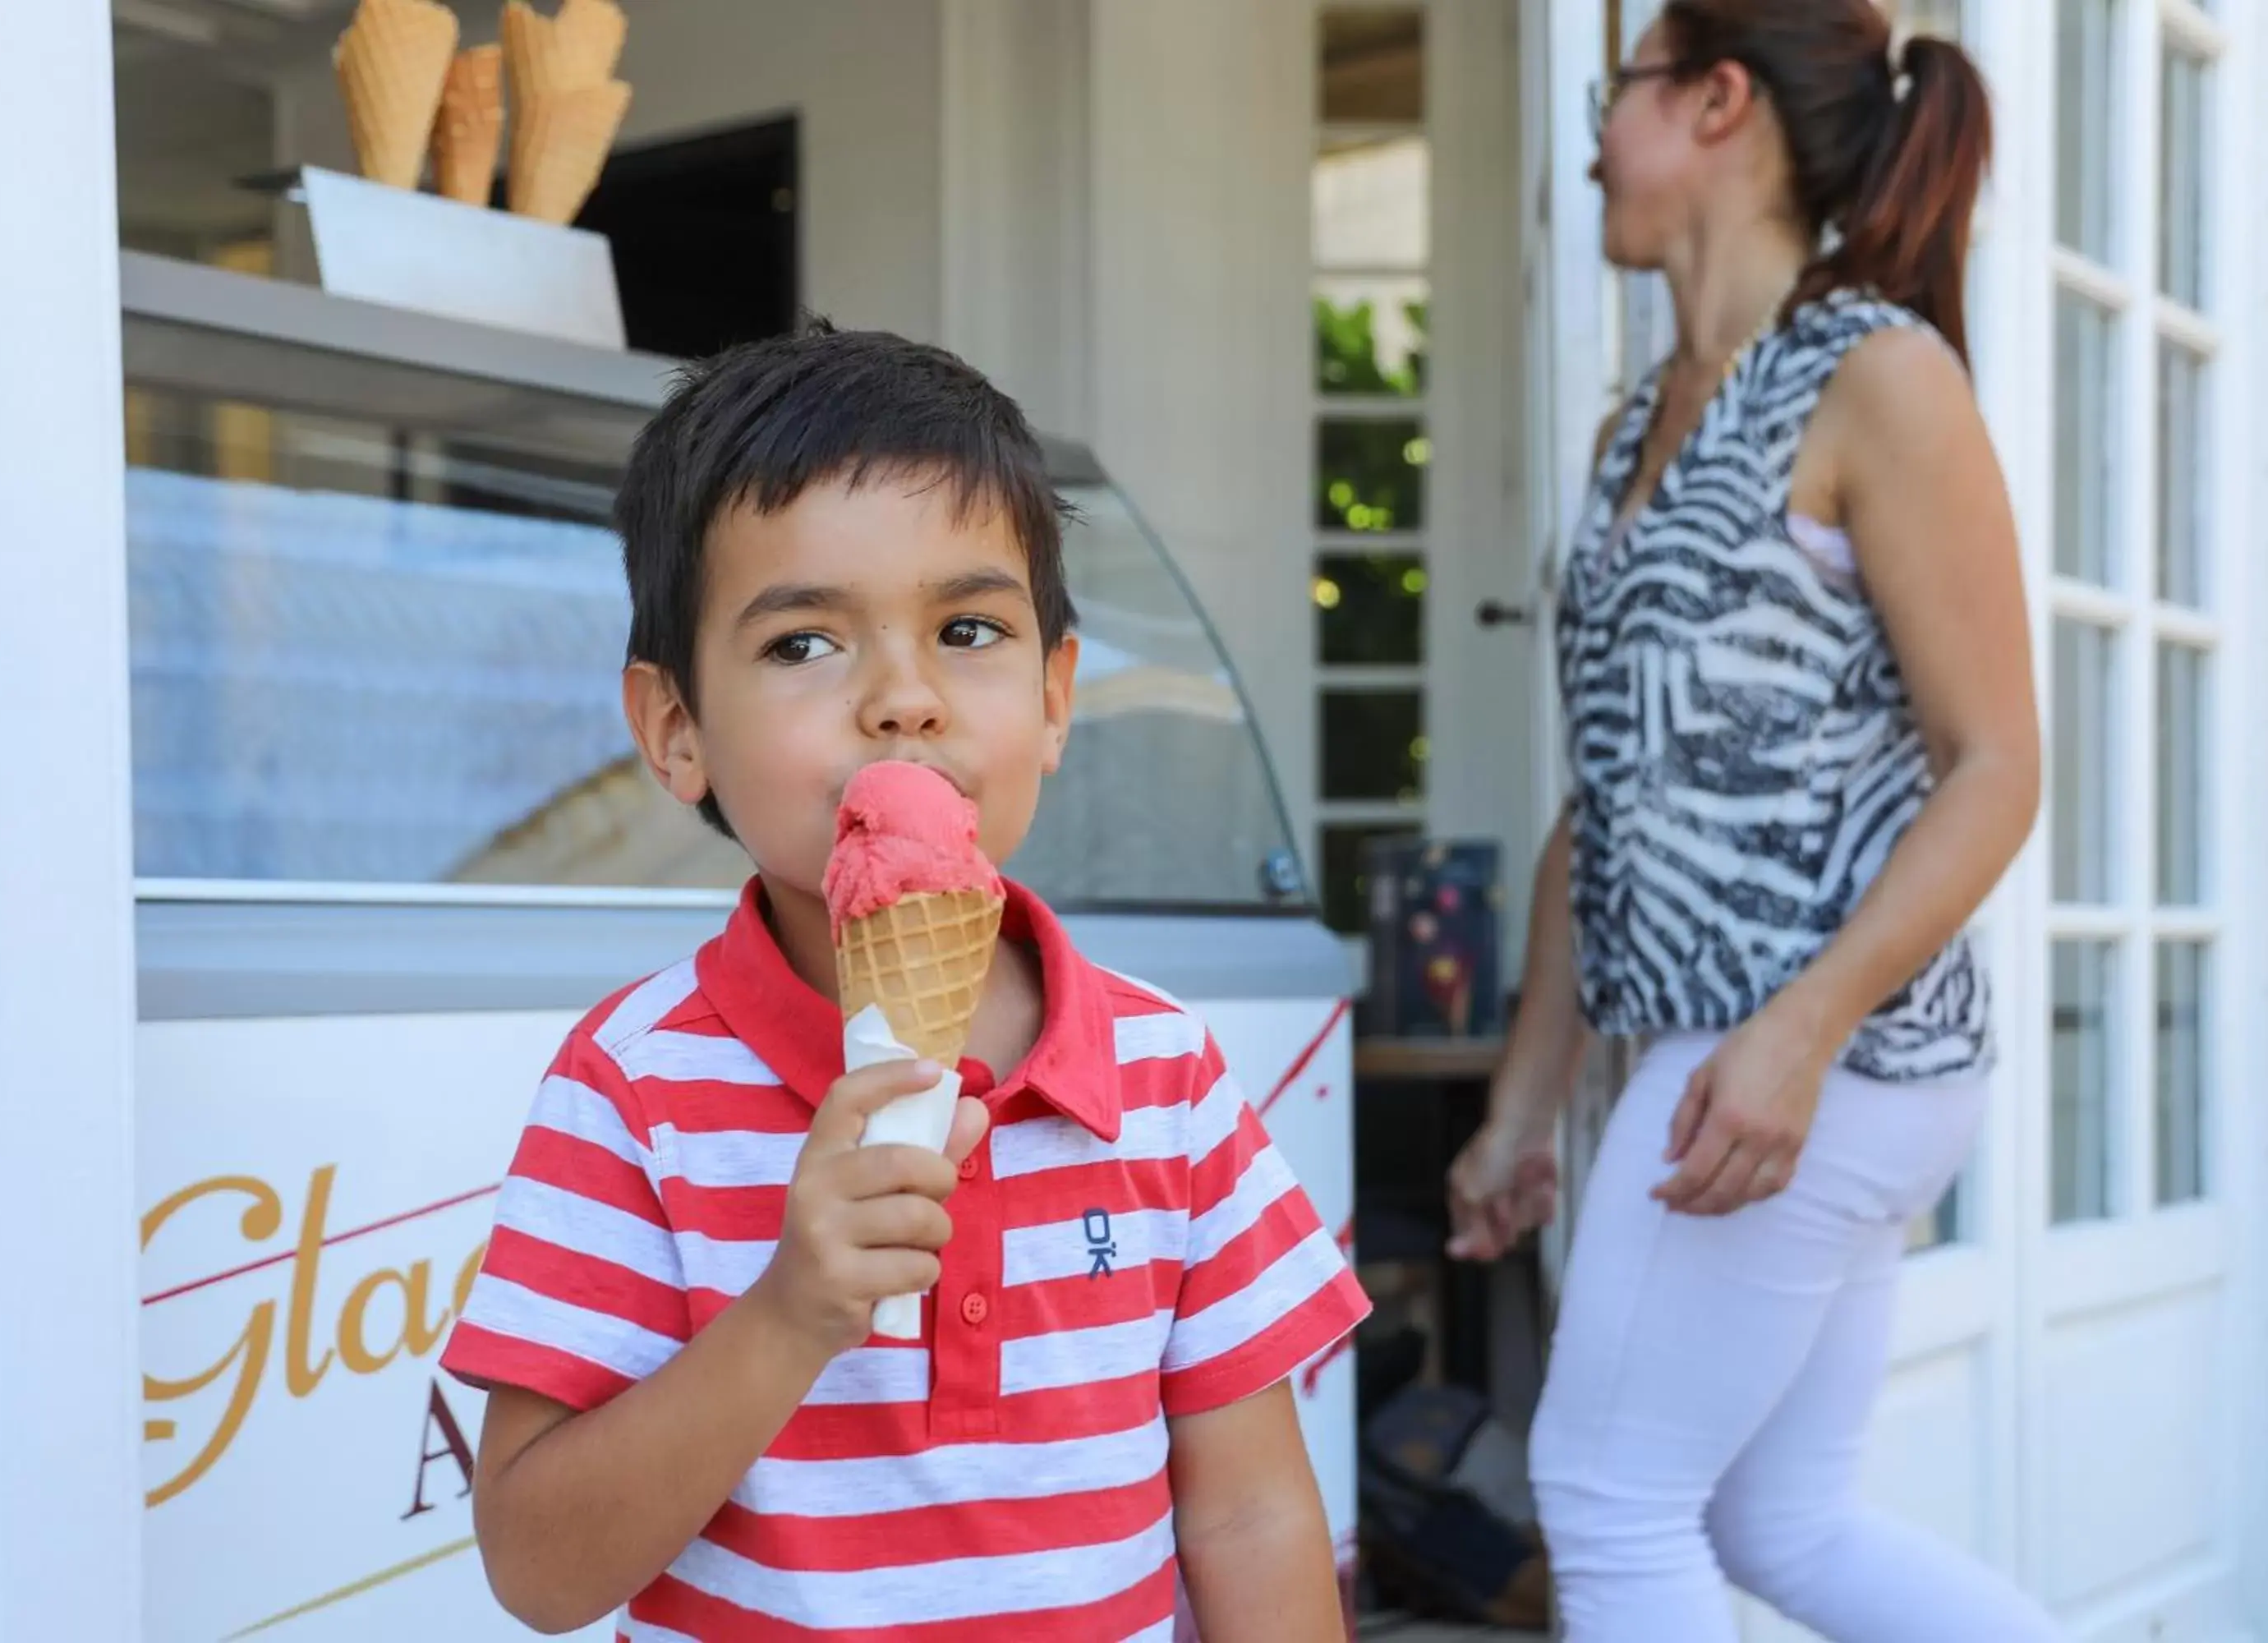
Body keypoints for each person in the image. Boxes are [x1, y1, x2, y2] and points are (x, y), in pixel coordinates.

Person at [439, 325, 1369, 1640]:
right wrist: (789, 1315)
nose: (904, 699)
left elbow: (1252, 1517)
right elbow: (538, 1569)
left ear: (1056, 696)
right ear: (675, 730)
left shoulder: (1168, 1079)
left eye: (970, 629)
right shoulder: (635, 1091)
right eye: (805, 645)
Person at [1445, 5, 2062, 1641]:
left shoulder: (1876, 376)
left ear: (1717, 102)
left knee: (1604, 1499)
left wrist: (1800, 1031)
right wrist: (1524, 1106)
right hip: (1743, 1062)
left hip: (1808, 1056)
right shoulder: (1630, 431)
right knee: (1778, 1523)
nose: (1593, 140)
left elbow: (1998, 760)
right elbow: (1611, 798)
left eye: (1619, 93)